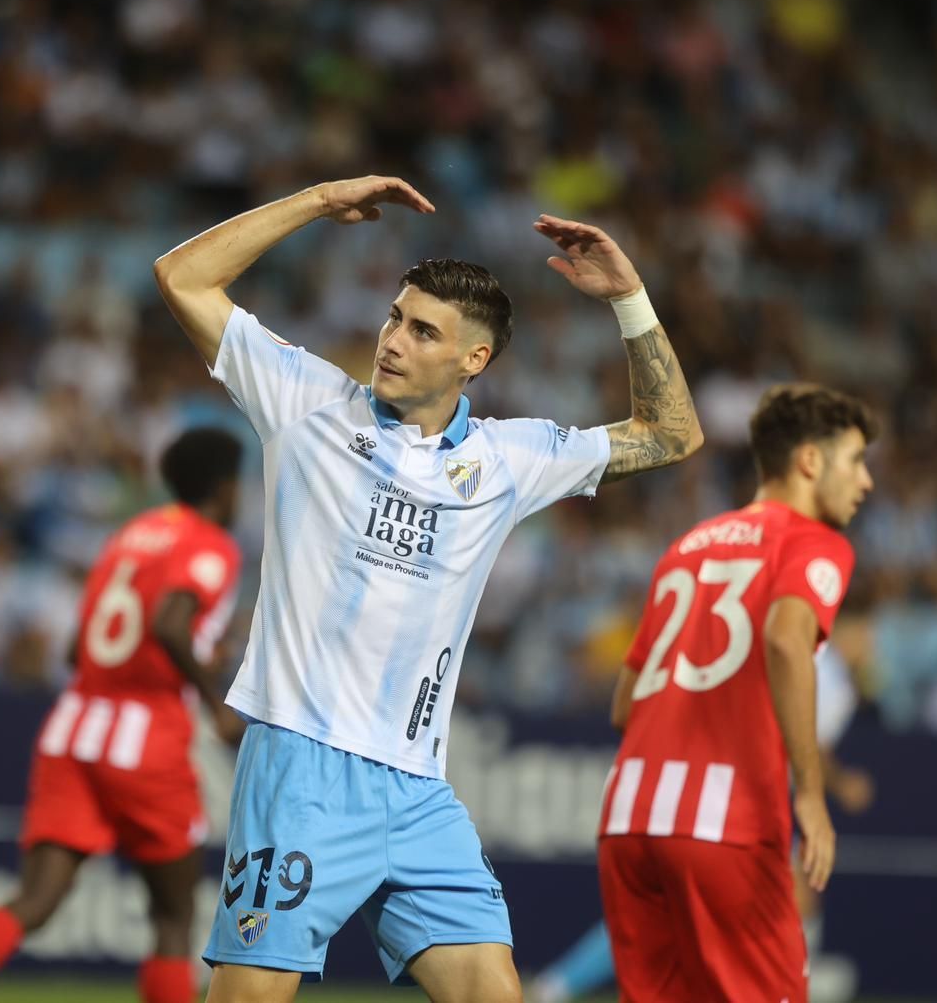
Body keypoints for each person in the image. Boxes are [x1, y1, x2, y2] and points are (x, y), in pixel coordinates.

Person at [152, 175, 704, 1003]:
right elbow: (182, 277)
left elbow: (672, 434)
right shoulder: (307, 405)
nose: (393, 340)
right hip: (302, 765)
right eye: (393, 317)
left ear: (472, 359)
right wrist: (313, 204)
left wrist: (630, 300)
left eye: (422, 330)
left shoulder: (509, 460)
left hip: (416, 788)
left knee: (494, 992)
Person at [0, 428, 248, 1003]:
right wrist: (215, 701)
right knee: (172, 918)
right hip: (145, 733)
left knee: (37, 899)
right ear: (224, 487)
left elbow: (77, 650)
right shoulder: (211, 544)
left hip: (74, 726)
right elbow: (172, 623)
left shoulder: (132, 534)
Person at [597, 383, 877, 1003]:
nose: (866, 483)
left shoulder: (685, 548)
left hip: (629, 814)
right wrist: (809, 791)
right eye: (856, 461)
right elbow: (785, 638)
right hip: (724, 823)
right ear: (810, 461)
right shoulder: (813, 541)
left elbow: (624, 705)